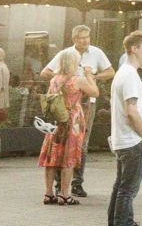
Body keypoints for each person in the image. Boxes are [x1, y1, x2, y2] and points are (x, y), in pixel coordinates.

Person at [42, 26, 113, 198]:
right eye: (81, 38)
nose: (85, 40)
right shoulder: (66, 54)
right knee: (68, 144)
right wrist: (73, 78)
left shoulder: (96, 52)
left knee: (80, 144)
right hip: (72, 107)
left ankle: (75, 183)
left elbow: (111, 72)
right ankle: (63, 186)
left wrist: (93, 77)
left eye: (87, 37)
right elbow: (45, 71)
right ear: (74, 39)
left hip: (86, 104)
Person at [105, 32, 142, 226]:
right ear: (133, 49)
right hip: (132, 141)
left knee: (121, 189)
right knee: (127, 190)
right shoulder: (129, 76)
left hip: (125, 140)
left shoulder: (125, 74)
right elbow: (131, 111)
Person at [38, 47, 96, 203]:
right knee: (68, 157)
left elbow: (51, 98)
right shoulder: (77, 80)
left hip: (57, 120)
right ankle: (65, 194)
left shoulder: (55, 79)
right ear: (74, 62)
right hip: (73, 120)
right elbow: (95, 93)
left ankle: (49, 193)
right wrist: (89, 75)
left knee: (53, 156)